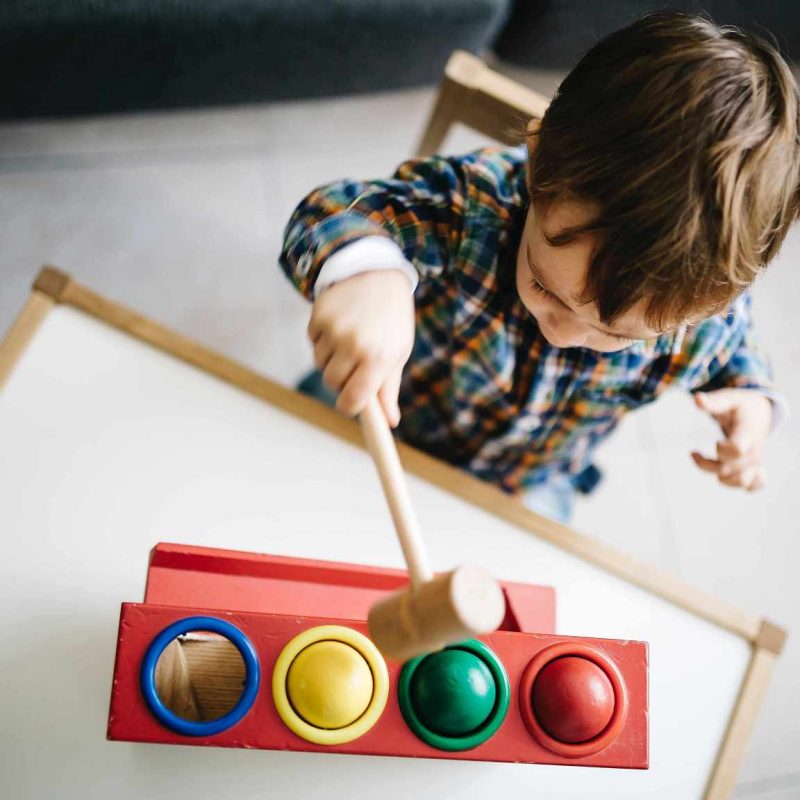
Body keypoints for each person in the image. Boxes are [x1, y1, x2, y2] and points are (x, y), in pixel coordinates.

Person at [280, 13, 798, 523]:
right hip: (382, 412)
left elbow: (734, 355)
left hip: (525, 482)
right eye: (544, 286)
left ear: (707, 307)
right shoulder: (475, 207)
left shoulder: (698, 317)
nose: (562, 333)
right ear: (536, 161)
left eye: (612, 332)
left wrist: (753, 404)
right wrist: (371, 273)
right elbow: (328, 215)